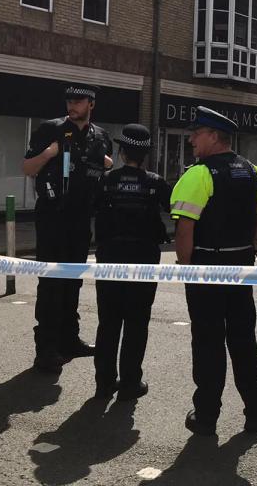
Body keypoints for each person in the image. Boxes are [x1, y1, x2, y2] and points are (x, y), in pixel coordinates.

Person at [170, 106, 257, 436]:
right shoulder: (251, 171)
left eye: (197, 134)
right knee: (243, 339)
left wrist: (186, 267)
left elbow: (184, 230)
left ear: (214, 137)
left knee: (207, 342)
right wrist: (248, 249)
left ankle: (205, 417)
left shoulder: (198, 174)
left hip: (204, 270)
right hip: (240, 270)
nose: (191, 139)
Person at [22, 83, 113, 374]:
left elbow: (104, 168)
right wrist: (49, 153)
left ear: (91, 104)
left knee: (73, 280)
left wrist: (106, 164)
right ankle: (46, 349)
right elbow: (27, 168)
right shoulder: (50, 129)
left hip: (81, 218)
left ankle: (69, 340)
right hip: (52, 216)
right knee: (51, 283)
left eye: (79, 100)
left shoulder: (100, 136)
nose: (72, 105)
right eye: (69, 100)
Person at [92, 124, 172, 401]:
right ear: (146, 154)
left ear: (123, 151)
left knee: (108, 321)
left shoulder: (106, 181)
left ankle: (103, 383)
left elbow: (93, 210)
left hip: (110, 258)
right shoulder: (155, 182)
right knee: (137, 322)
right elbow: (175, 210)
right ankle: (130, 382)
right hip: (143, 258)